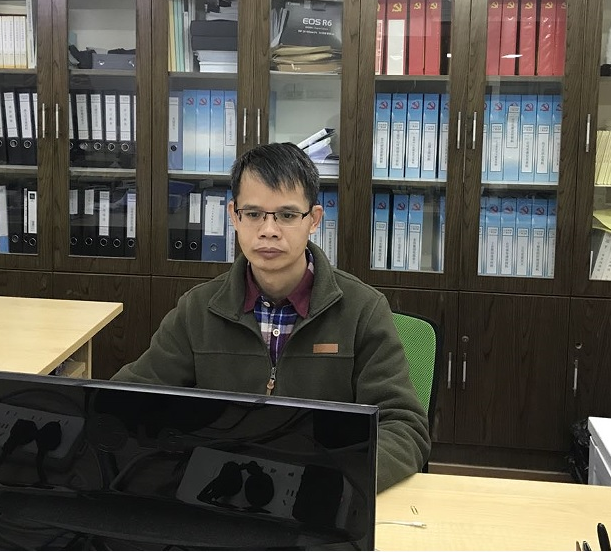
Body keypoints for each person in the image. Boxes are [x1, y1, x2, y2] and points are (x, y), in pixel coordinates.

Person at [113, 142, 430, 490]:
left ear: (314, 220)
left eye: (287, 215)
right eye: (253, 214)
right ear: (234, 216)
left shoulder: (362, 309)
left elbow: (403, 426)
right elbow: (125, 402)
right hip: (220, 492)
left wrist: (337, 480)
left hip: (318, 494)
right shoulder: (198, 309)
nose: (268, 230)